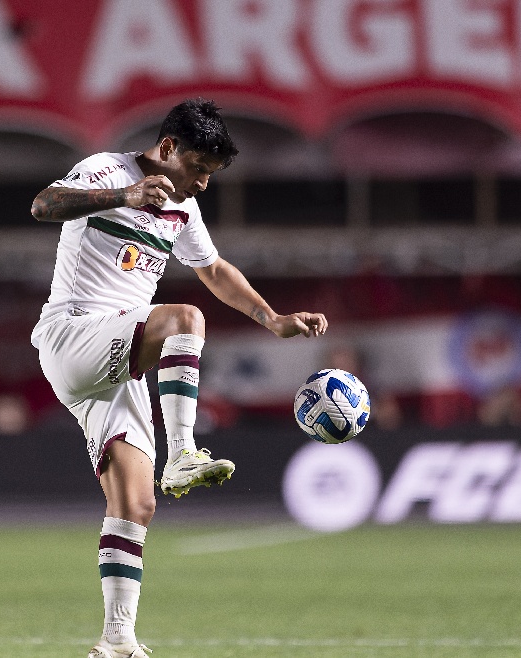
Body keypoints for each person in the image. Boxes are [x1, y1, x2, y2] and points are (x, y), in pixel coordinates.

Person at [30, 99, 329, 658]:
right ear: (167, 149)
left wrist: (272, 318)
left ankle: (116, 640)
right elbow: (43, 204)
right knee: (184, 320)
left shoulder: (183, 210)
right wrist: (124, 196)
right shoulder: (107, 171)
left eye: (210, 175)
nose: (202, 185)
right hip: (74, 335)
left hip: (117, 362)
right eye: (198, 169)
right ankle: (185, 451)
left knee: (136, 504)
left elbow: (213, 269)